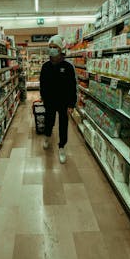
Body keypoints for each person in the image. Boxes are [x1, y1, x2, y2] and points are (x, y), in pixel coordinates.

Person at [39, 35, 77, 163]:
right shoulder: (45, 67)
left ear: (60, 49)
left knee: (63, 124)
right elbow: (42, 84)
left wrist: (72, 104)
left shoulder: (68, 67)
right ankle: (47, 137)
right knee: (48, 120)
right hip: (49, 101)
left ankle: (61, 146)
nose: (52, 49)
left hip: (64, 102)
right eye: (50, 47)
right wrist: (43, 97)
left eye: (55, 47)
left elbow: (72, 86)